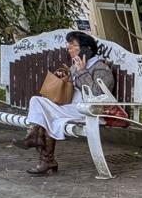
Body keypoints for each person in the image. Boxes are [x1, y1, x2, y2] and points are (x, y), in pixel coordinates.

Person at [16, 31, 116, 176]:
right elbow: (72, 90)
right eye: (68, 45)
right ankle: (43, 154)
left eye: (73, 45)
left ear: (86, 49)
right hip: (71, 108)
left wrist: (82, 71)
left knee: (42, 110)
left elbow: (97, 94)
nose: (69, 48)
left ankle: (36, 140)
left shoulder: (101, 68)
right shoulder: (75, 66)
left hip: (90, 111)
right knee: (38, 103)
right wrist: (66, 79)